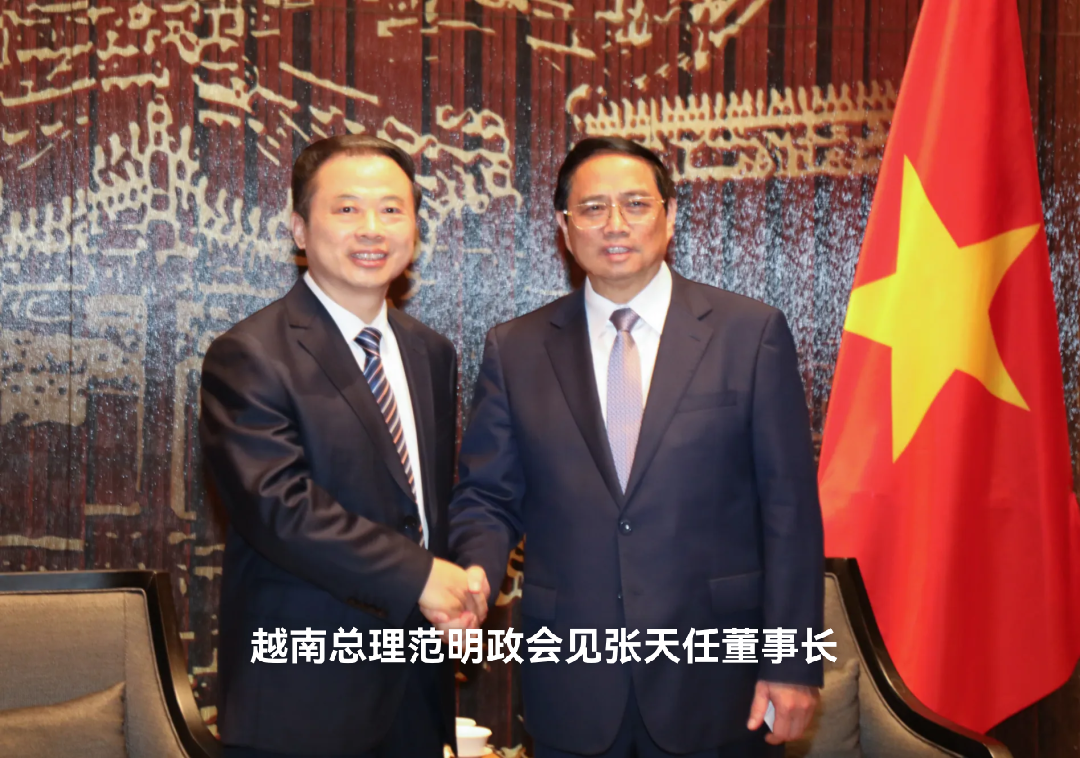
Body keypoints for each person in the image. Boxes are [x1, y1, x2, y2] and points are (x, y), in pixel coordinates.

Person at [449, 137, 824, 758]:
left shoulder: (749, 333)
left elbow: (790, 513)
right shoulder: (516, 349)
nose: (615, 224)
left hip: (718, 680)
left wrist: (793, 662)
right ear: (564, 228)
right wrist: (474, 576)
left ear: (669, 216)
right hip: (573, 679)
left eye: (636, 204)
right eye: (593, 208)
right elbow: (488, 496)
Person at [200, 135, 486, 757]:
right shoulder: (250, 353)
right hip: (305, 698)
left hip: (416, 691)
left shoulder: (430, 352)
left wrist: (459, 581)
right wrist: (420, 576)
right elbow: (280, 509)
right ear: (300, 228)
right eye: (347, 208)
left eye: (392, 209)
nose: (372, 228)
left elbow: (423, 508)